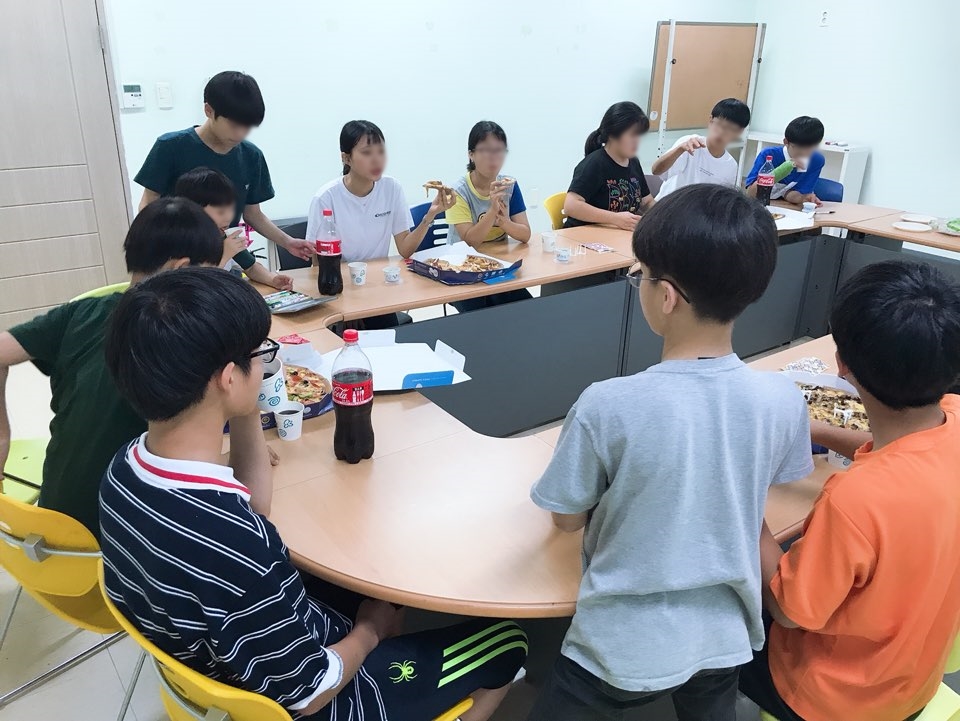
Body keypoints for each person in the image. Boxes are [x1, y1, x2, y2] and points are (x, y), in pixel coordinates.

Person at [100, 268, 527, 721]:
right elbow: (309, 692)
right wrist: (369, 631)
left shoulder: (121, 471)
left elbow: (254, 508)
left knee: (371, 573)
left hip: (220, 658)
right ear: (228, 378)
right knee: (508, 641)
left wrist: (246, 405)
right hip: (319, 697)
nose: (267, 364)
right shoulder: (235, 544)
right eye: (260, 355)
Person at [527, 184, 814, 721]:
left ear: (667, 297)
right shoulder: (782, 398)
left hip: (617, 647)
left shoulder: (609, 404)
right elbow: (760, 489)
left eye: (641, 274)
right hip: (724, 636)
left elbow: (566, 519)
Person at [740, 260, 960, 721]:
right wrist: (811, 428)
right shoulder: (952, 413)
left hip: (833, 700)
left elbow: (788, 610)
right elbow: (900, 449)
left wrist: (744, 503)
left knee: (719, 614)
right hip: (914, 680)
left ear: (841, 366)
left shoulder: (856, 498)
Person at [0, 198, 223, 539]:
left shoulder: (81, 312)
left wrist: (2, 437)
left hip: (50, 525)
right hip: (120, 542)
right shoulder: (184, 335)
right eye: (208, 275)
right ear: (180, 269)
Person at [134, 71, 313, 263]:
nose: (241, 134)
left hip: (222, 258)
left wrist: (287, 242)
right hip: (174, 258)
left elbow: (253, 214)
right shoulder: (171, 147)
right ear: (209, 110)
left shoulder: (251, 156)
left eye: (248, 127)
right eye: (234, 125)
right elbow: (148, 204)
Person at [306, 120, 453, 263]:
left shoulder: (392, 188)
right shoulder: (326, 198)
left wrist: (430, 215)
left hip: (379, 276)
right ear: (346, 158)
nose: (377, 160)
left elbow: (405, 250)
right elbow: (318, 264)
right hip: (341, 276)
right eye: (367, 152)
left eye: (381, 151)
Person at [446, 121, 532, 313]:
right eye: (486, 150)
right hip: (462, 267)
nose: (493, 157)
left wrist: (504, 222)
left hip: (498, 264)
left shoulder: (509, 185)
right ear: (471, 154)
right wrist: (493, 211)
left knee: (526, 309)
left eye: (499, 150)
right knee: (480, 315)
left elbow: (525, 234)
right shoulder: (457, 191)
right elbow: (470, 241)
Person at [174, 168, 293, 291]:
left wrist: (272, 279)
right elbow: (197, 287)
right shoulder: (181, 243)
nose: (228, 218)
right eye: (220, 212)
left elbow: (251, 267)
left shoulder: (224, 237)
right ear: (193, 211)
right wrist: (225, 254)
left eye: (231, 210)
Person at [563, 101, 655, 230]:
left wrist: (664, 215)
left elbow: (647, 201)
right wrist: (615, 219)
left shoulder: (633, 162)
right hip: (585, 235)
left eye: (639, 135)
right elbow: (571, 206)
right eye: (632, 135)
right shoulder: (594, 164)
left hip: (617, 235)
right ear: (613, 135)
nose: (637, 141)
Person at [652, 98, 751, 199]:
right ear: (711, 120)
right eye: (719, 124)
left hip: (698, 209)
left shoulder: (730, 166)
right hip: (668, 205)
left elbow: (722, 200)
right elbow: (656, 171)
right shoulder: (689, 144)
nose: (721, 132)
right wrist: (679, 149)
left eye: (730, 128)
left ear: (739, 132)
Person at [745, 116, 826, 205]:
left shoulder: (816, 161)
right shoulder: (769, 155)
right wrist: (783, 169)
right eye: (798, 148)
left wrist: (803, 198)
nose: (804, 154)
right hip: (760, 204)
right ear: (786, 142)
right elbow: (750, 193)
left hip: (783, 207)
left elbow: (790, 194)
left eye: (809, 148)